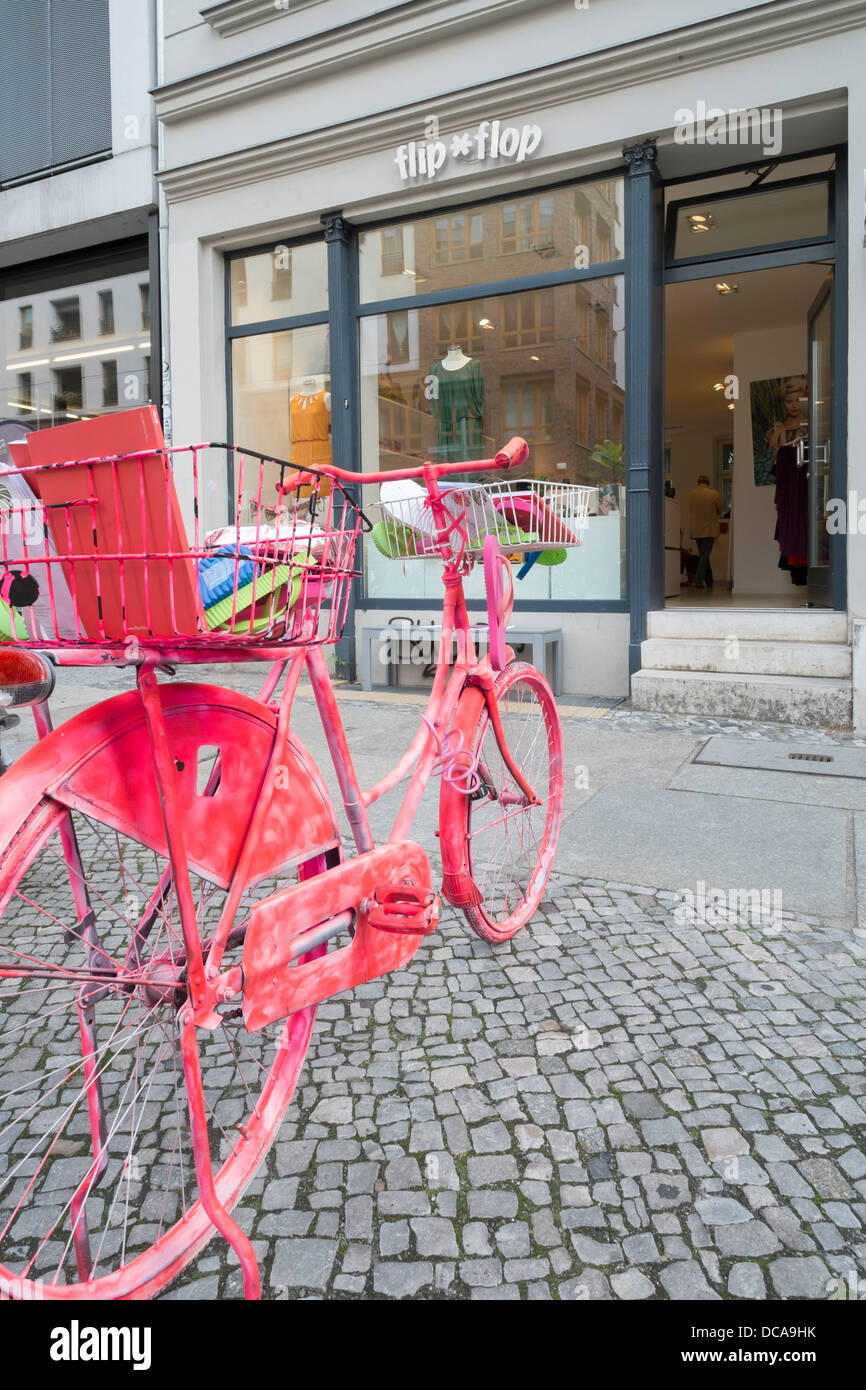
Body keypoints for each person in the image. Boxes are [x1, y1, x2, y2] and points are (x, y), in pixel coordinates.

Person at [688, 474, 722, 589]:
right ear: (708, 483)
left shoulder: (692, 494)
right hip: (709, 529)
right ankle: (698, 579)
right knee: (704, 556)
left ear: (698, 482)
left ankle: (710, 581)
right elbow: (720, 509)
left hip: (696, 529)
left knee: (704, 555)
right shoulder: (713, 493)